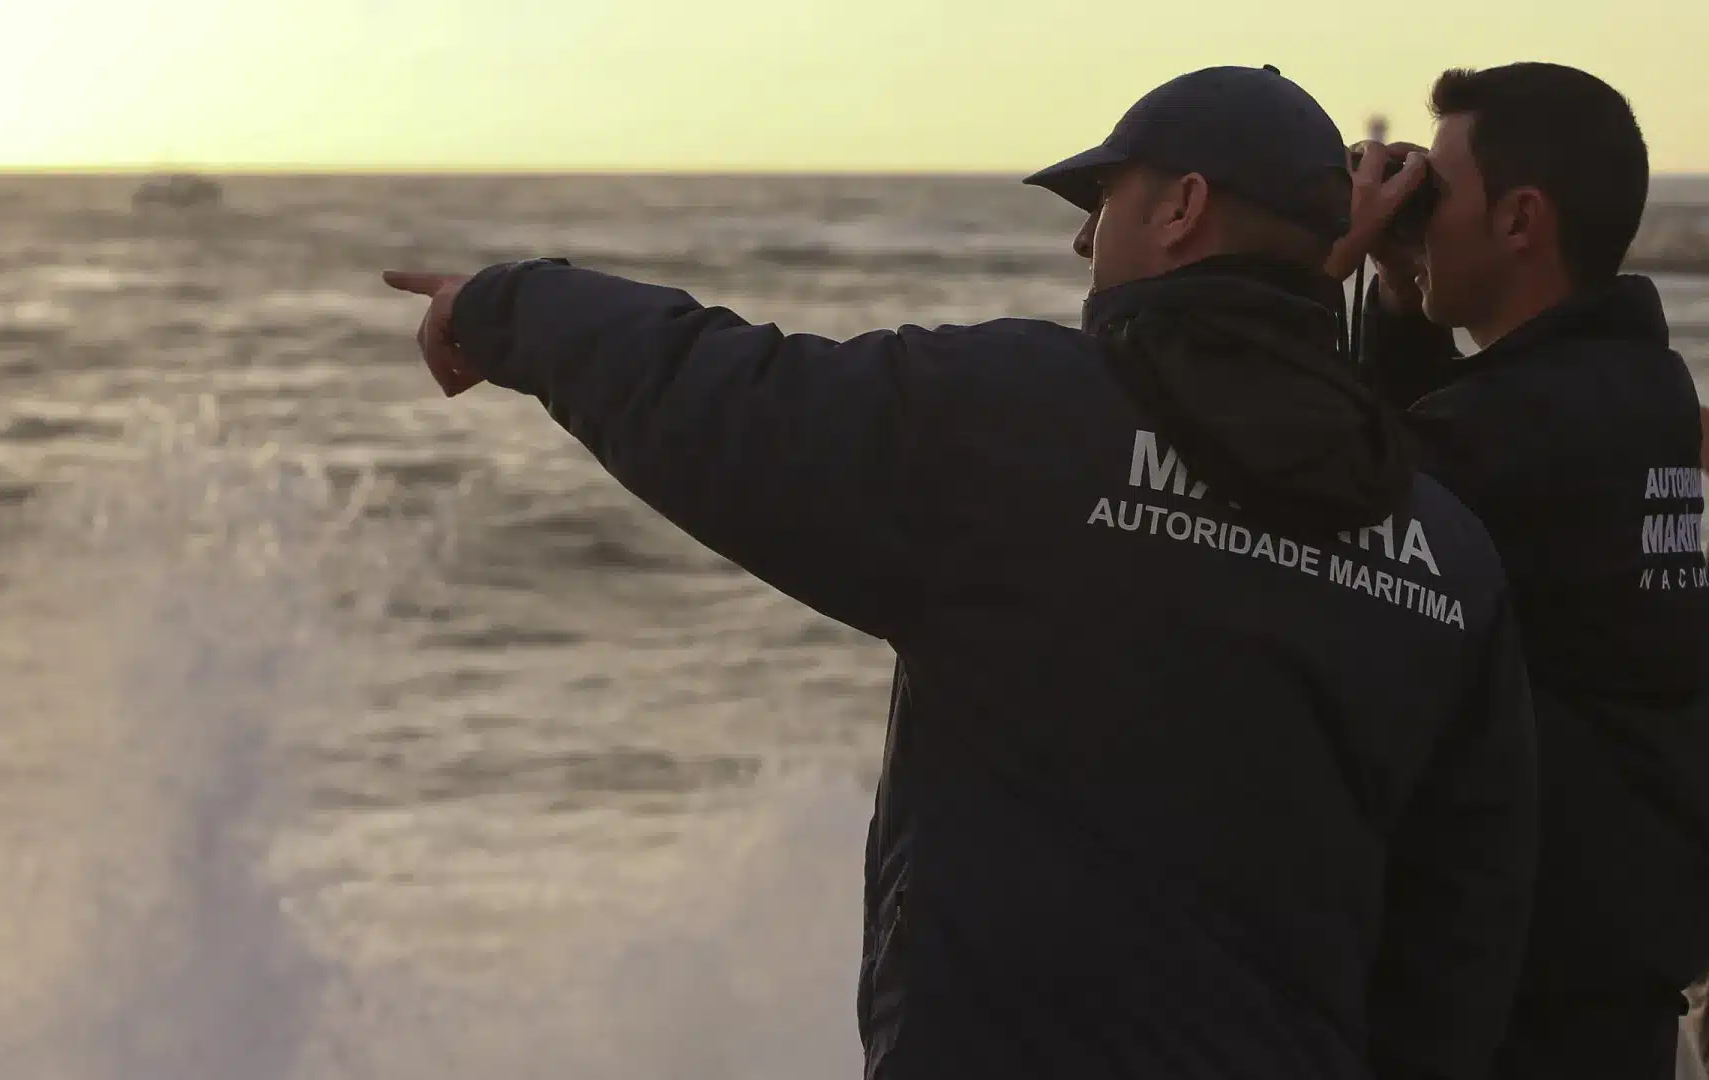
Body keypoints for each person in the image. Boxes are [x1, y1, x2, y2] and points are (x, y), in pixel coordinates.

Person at [386, 65, 1538, 1080]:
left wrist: (510, 305)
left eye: (1106, 205)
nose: (1083, 244)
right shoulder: (1447, 553)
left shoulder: (1011, 425)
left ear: (1183, 209)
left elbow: (733, 401)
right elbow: (1463, 929)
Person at [1331, 61, 1709, 1080]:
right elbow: (1423, 460)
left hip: (1528, 970)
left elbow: (1330, 496)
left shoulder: (1537, 419)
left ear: (1521, 219)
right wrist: (1407, 296)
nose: (1419, 214)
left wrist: (1312, 276)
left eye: (1438, 193)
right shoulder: (1639, 385)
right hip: (1605, 940)